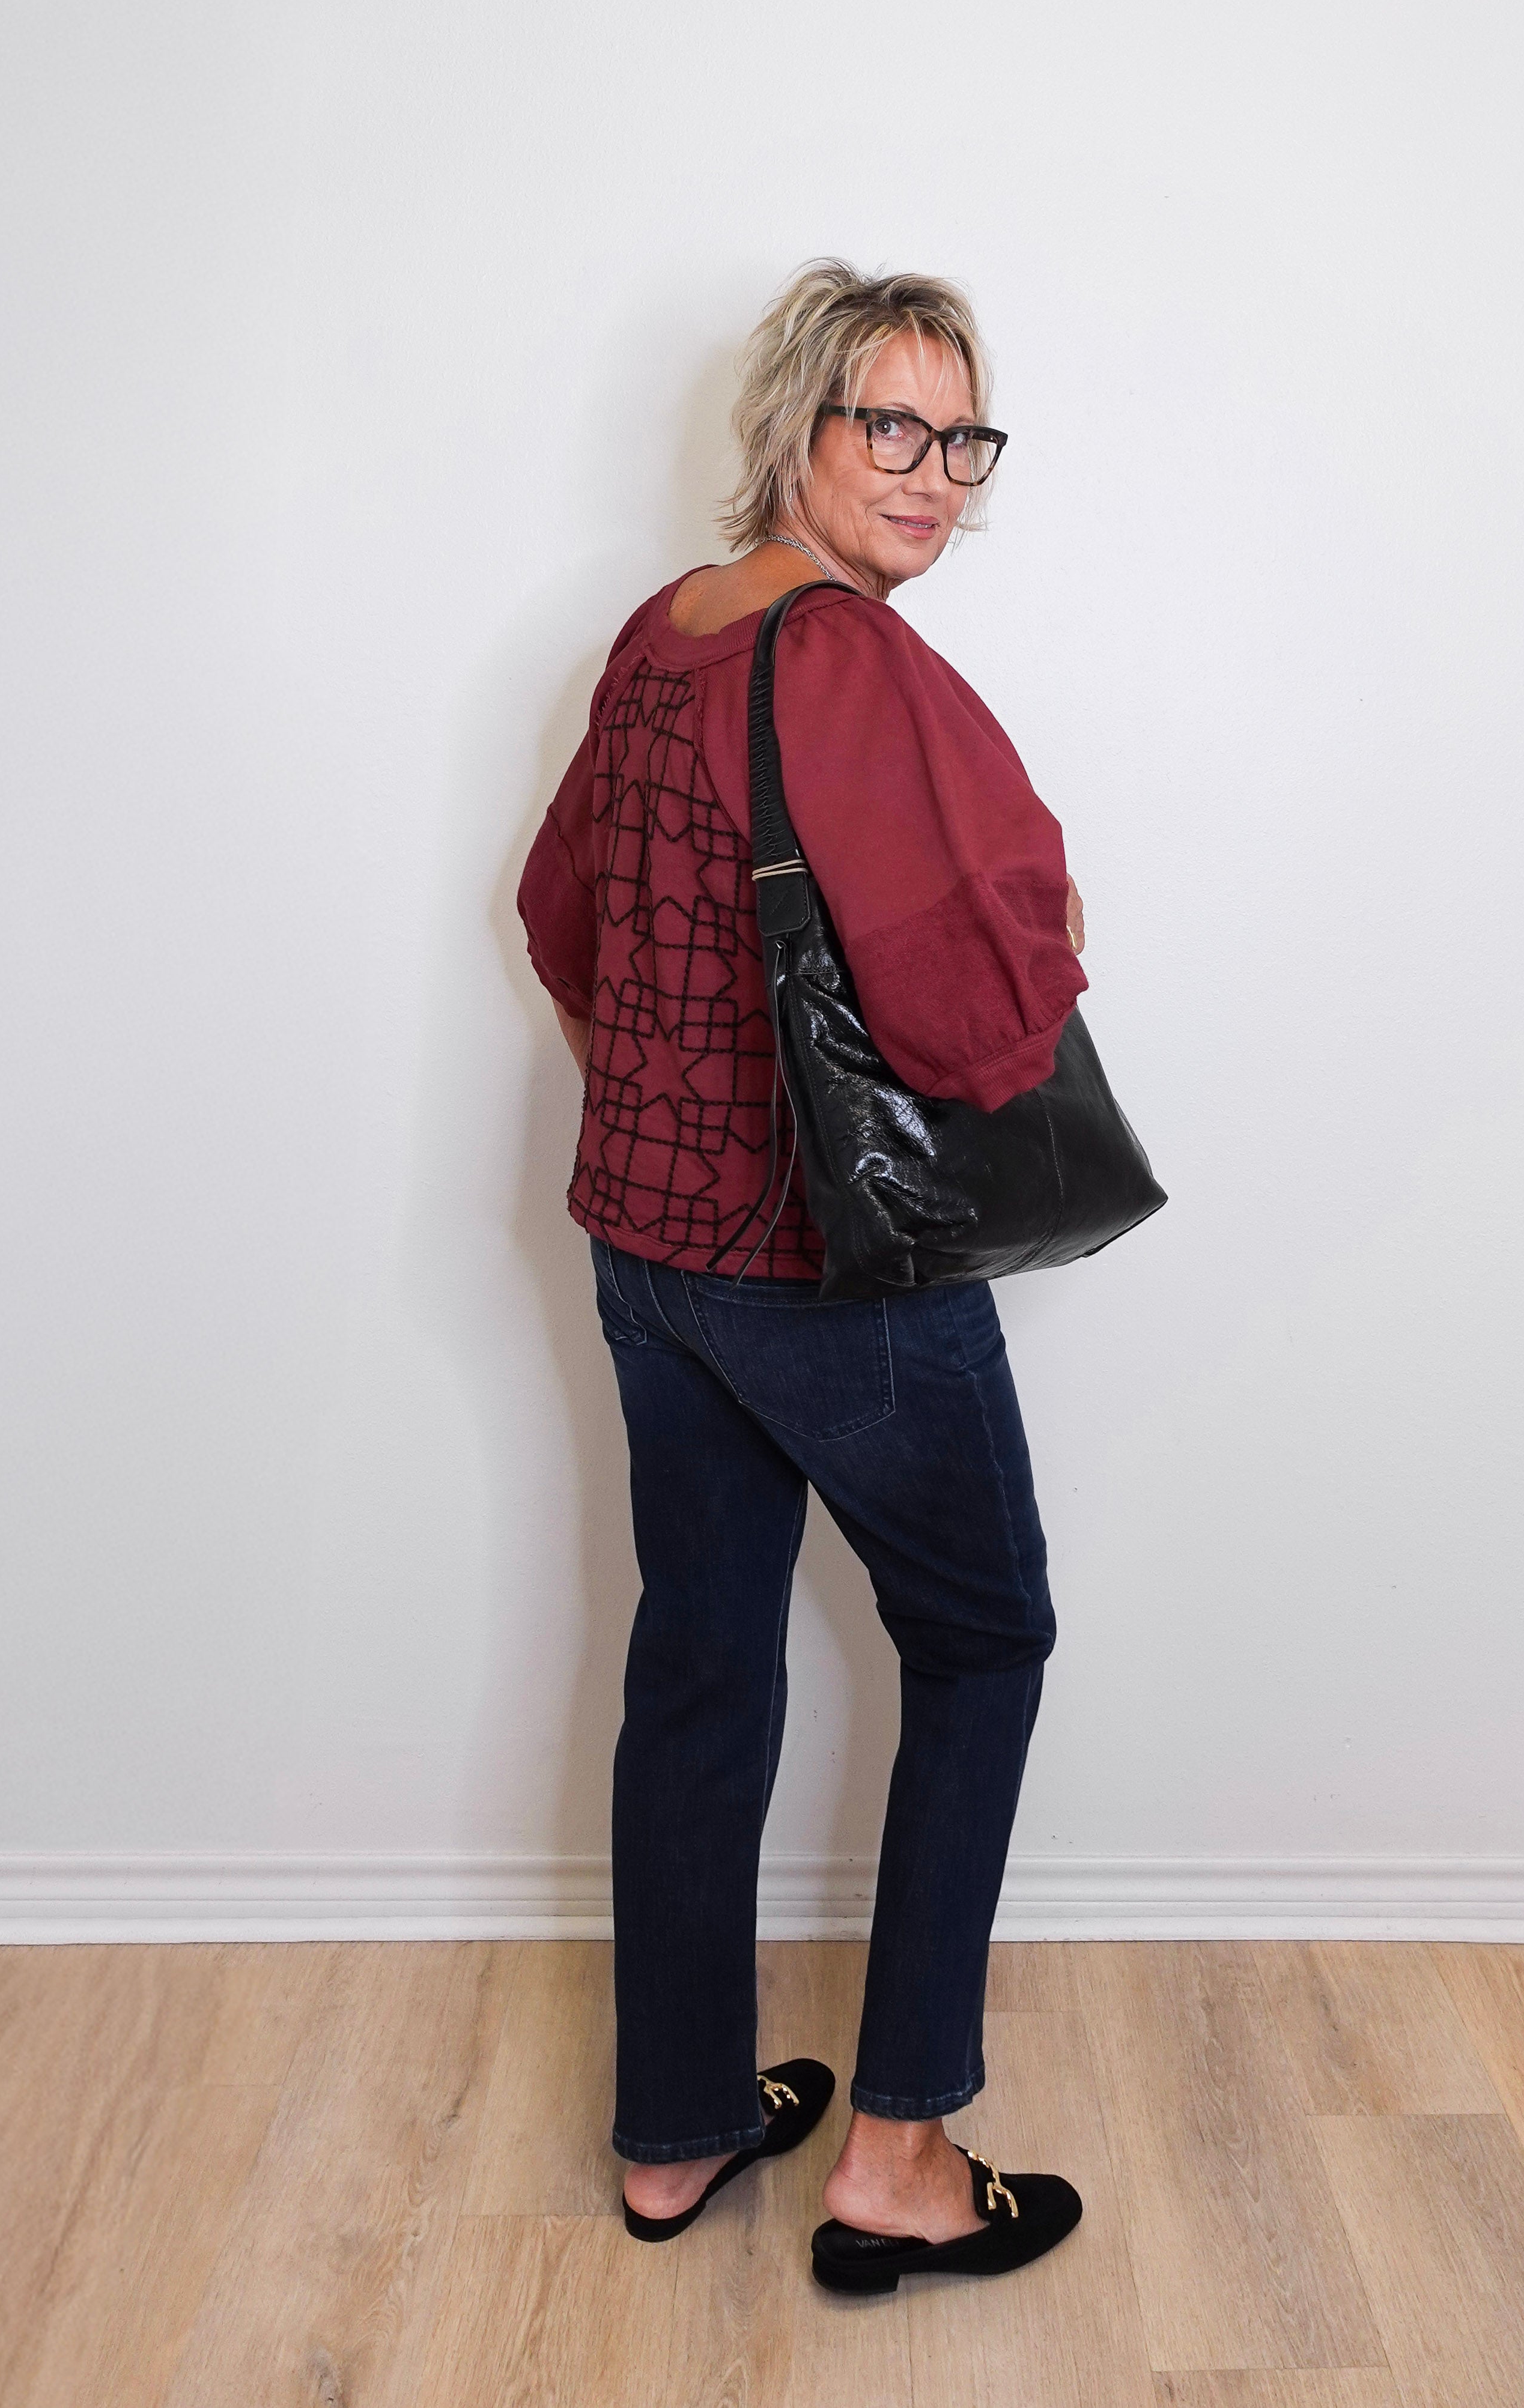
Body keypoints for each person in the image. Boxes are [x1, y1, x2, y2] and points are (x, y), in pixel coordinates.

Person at [517, 260, 1088, 2294]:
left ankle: (676, 2134)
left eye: (962, 437)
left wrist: (662, 1086)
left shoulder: (662, 631)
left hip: (641, 1249)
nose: (932, 476)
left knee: (698, 1664)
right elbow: (973, 1015)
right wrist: (1053, 938)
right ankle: (904, 2155)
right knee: (986, 1637)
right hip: (825, 1274)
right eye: (890, 429)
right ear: (797, 434)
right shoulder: (849, 663)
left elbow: (557, 908)